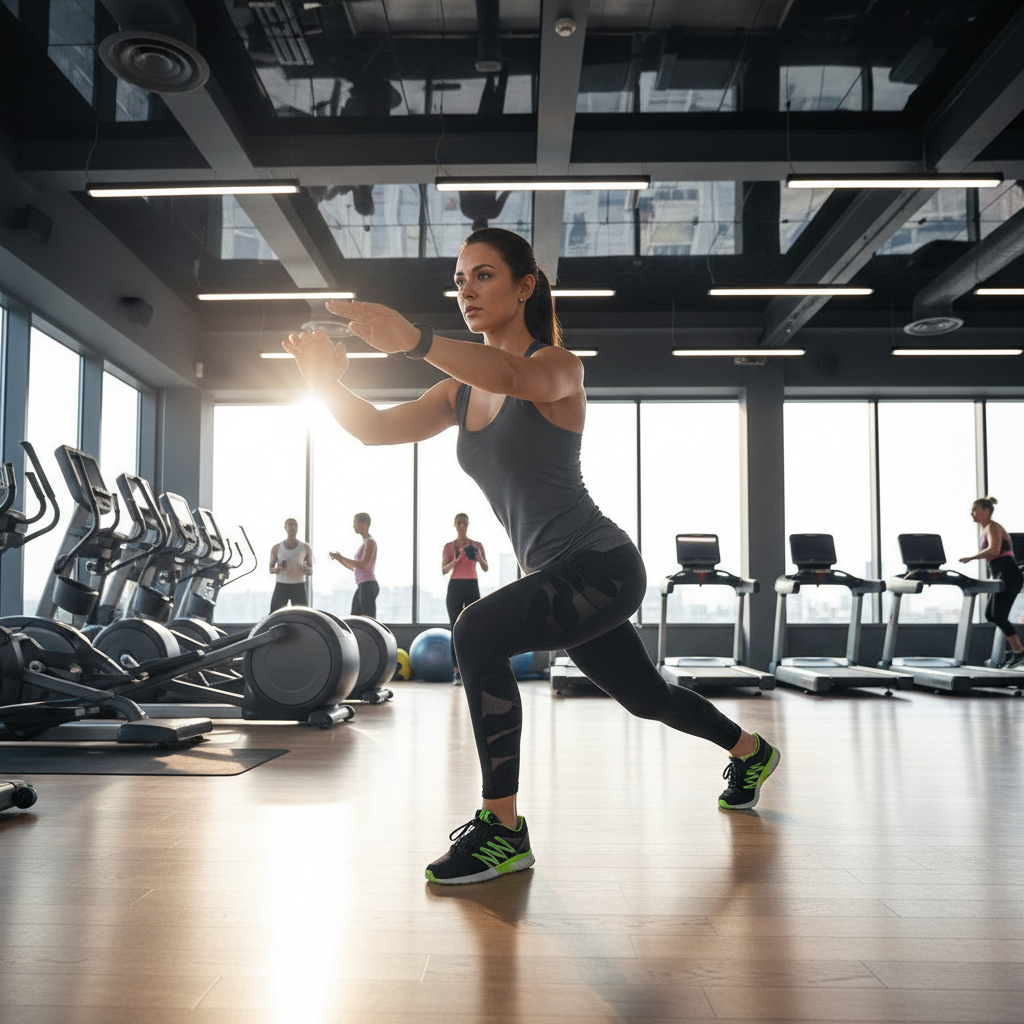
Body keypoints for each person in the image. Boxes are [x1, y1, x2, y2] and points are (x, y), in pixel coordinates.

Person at [283, 227, 780, 886]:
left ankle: (503, 830)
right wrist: (324, 384)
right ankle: (750, 751)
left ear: (525, 286)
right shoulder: (459, 393)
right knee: (647, 697)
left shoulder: (558, 367)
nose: (467, 291)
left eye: (483, 275)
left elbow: (514, 376)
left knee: (476, 631)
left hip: (602, 566)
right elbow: (375, 429)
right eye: (459, 281)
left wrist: (416, 341)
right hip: (555, 576)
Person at [959, 496, 1024, 667]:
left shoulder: (993, 527)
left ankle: (1019, 652)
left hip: (1008, 572)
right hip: (1000, 572)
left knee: (998, 615)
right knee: (991, 614)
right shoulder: (986, 529)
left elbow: (994, 550)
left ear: (986, 511)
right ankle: (1019, 651)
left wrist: (972, 557)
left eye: (975, 510)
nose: (972, 513)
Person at [443, 513, 489, 680]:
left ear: (468, 524)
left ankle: (474, 668)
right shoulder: (449, 546)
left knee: (473, 627)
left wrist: (478, 557)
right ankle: (457, 671)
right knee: (455, 628)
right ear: (455, 525)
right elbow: (443, 570)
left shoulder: (476, 545)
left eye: (464, 523)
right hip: (455, 587)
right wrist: (455, 560)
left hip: (471, 585)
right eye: (459, 523)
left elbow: (485, 567)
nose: (462, 526)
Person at [330, 513, 379, 617]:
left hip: (368, 585)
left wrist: (342, 557)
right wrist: (340, 559)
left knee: (368, 619)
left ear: (364, 524)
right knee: (355, 618)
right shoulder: (365, 542)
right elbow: (355, 568)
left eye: (355, 523)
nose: (353, 526)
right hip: (362, 585)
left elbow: (363, 565)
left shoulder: (370, 542)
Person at [268, 518, 312, 611]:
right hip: (281, 585)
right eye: (290, 525)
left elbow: (310, 570)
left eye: (295, 525)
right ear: (285, 528)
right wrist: (279, 568)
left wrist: (306, 569)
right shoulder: (276, 548)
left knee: (302, 615)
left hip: (299, 585)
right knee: (275, 614)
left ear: (297, 528)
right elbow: (271, 569)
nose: (293, 527)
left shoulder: (305, 548)